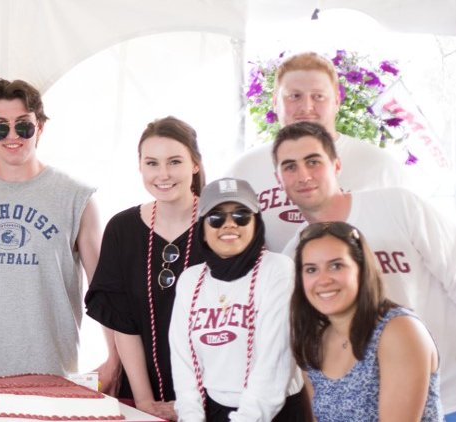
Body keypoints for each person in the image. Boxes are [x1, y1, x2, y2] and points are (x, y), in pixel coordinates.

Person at [272, 121, 456, 418]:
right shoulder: (293, 255)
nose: (303, 175)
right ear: (278, 178)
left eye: (313, 161)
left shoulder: (398, 206)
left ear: (336, 165)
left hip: (449, 391)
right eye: (290, 166)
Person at [0, 78, 105, 380]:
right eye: (0, 126)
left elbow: (104, 292)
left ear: (40, 127)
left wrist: (114, 360)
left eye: (24, 125)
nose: (12, 135)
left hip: (52, 371)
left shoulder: (77, 198)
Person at [226, 51, 411, 252]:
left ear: (337, 101)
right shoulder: (243, 170)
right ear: (275, 102)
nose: (306, 107)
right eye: (294, 96)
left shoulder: (380, 166)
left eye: (318, 96)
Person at [85, 116, 205, 419]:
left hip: (214, 397)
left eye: (174, 161)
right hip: (141, 394)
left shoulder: (223, 225)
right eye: (152, 163)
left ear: (194, 164)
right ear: (140, 166)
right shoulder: (122, 229)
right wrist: (145, 403)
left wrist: (197, 403)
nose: (162, 174)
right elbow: (123, 323)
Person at [168, 178, 306, 421]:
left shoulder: (278, 270)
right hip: (213, 410)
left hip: (275, 410)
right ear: (203, 227)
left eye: (241, 215)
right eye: (216, 217)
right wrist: (190, 417)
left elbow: (274, 362)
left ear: (256, 222)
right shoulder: (190, 280)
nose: (229, 224)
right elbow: (183, 361)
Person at [291, 222, 442, 421]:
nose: (324, 279)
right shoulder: (313, 341)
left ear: (362, 271)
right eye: (311, 270)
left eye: (336, 266)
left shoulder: (399, 330)